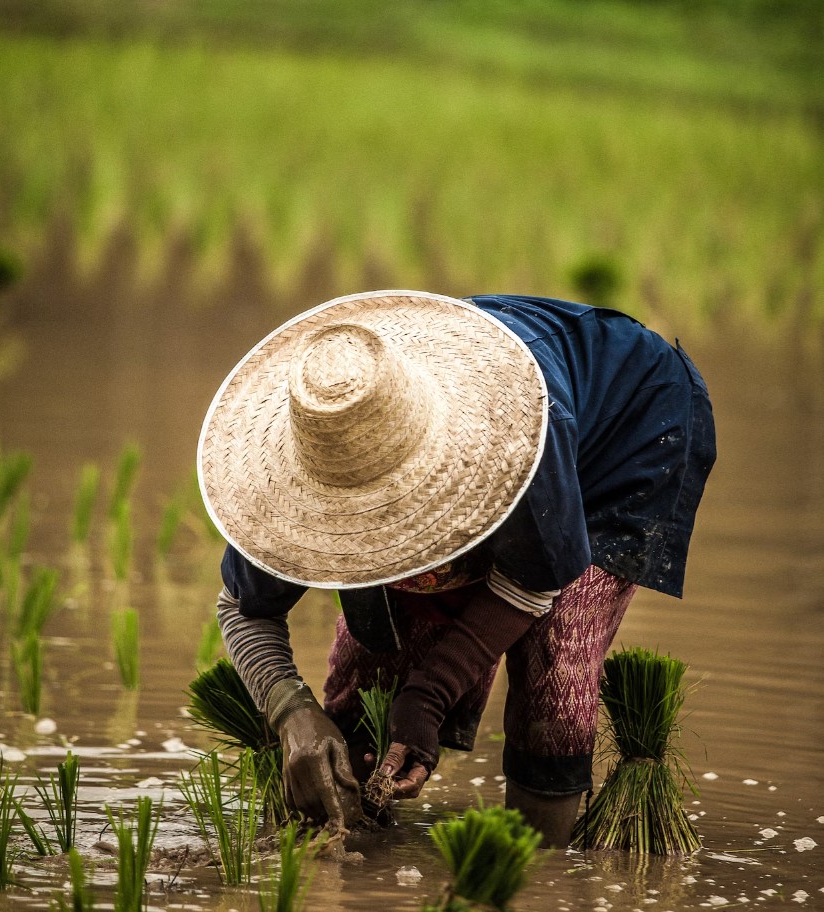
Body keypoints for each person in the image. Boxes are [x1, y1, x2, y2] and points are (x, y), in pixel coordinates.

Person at [197, 290, 716, 847]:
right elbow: (243, 608)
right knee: (374, 665)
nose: (372, 526)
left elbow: (536, 578)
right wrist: (291, 713)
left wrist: (431, 695)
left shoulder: (516, 441)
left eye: (388, 507)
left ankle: (532, 869)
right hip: (466, 419)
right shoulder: (296, 470)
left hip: (625, 426)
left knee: (556, 664)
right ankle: (361, 841)